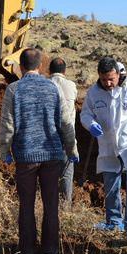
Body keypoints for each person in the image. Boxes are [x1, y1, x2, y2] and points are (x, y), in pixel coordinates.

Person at [0, 48, 78, 254]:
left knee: (26, 204)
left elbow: (7, 125)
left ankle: (27, 252)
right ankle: (50, 253)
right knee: (51, 204)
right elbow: (66, 122)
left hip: (26, 156)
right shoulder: (53, 88)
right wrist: (71, 149)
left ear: (20, 67)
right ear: (41, 66)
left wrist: (5, 150)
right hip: (52, 156)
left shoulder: (14, 89)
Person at [80, 57, 127, 241]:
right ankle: (114, 221)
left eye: (111, 79)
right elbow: (85, 113)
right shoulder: (94, 92)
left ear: (118, 74)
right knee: (111, 184)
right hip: (108, 145)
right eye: (104, 79)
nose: (108, 83)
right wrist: (90, 124)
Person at [49, 57, 78, 209]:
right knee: (66, 172)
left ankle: (50, 204)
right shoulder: (71, 86)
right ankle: (65, 207)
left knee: (49, 172)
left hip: (48, 137)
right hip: (68, 136)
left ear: (49, 70)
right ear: (65, 71)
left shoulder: (45, 85)